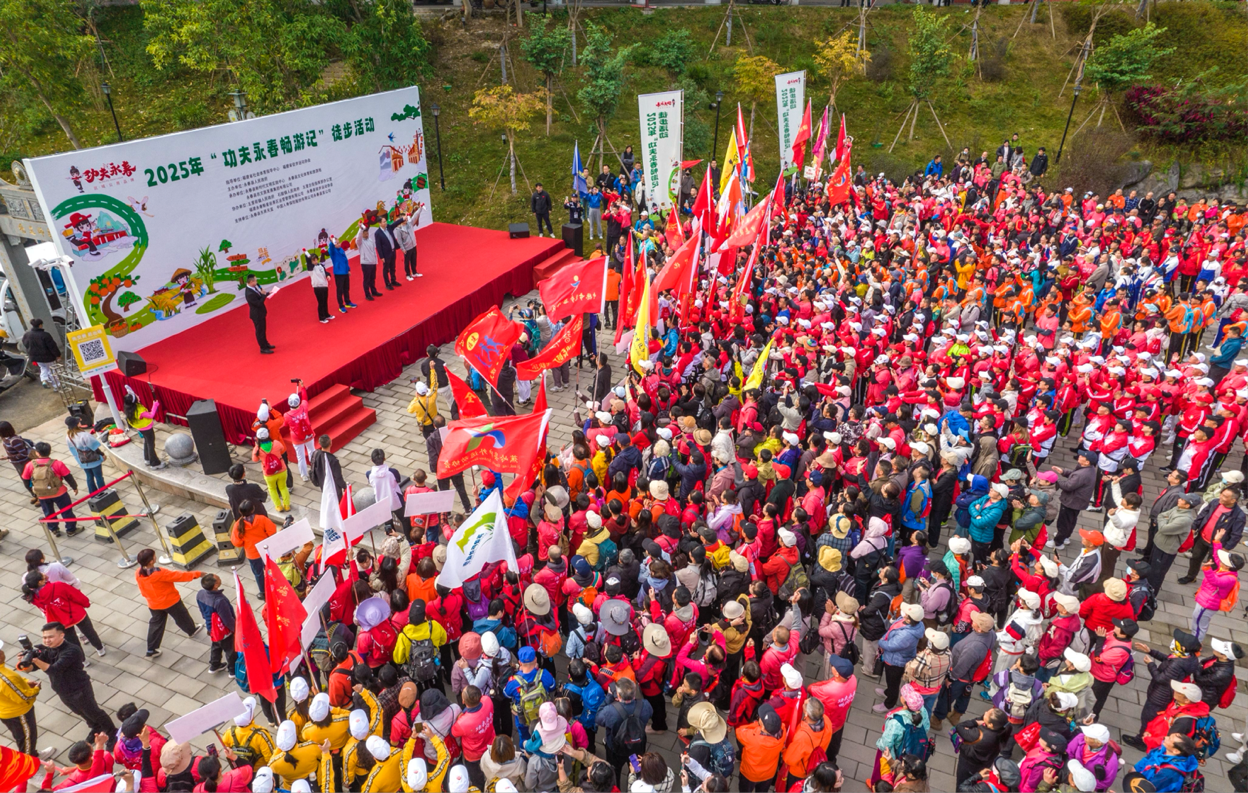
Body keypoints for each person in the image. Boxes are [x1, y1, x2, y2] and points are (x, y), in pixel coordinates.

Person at [16, 622, 116, 751]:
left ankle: (112, 733)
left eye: (50, 637)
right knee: (79, 712)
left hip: (79, 689)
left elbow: (54, 670)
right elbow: (31, 668)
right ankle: (95, 727)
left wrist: (36, 659)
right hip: (63, 690)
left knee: (94, 711)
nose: (47, 640)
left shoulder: (72, 650)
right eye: (45, 637)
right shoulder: (48, 650)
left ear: (62, 635)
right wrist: (24, 662)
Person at [134, 548, 203, 658]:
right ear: (151, 561)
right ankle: (191, 630)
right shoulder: (159, 573)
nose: (155, 557)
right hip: (170, 601)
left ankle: (151, 649)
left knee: (156, 625)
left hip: (154, 603)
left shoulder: (138, 573)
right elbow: (179, 576)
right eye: (154, 556)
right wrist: (197, 574)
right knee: (182, 617)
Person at [21, 569, 105, 657]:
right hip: (75, 613)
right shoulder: (58, 585)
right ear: (40, 582)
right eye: (42, 575)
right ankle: (100, 649)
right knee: (89, 632)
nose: (44, 574)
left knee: (72, 642)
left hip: (59, 622)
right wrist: (86, 603)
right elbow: (75, 595)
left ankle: (82, 660)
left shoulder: (32, 597)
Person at [596, 676, 653, 783]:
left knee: (614, 770)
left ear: (618, 695)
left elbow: (598, 719)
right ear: (634, 693)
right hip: (637, 747)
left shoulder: (610, 711)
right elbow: (650, 713)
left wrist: (608, 697)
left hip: (616, 749)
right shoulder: (645, 705)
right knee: (637, 769)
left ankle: (616, 786)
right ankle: (635, 785)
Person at [0, 639, 48, 760]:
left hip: (7, 710)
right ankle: (30, 768)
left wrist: (25, 682)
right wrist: (36, 689)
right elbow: (24, 696)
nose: (2, 653)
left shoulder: (3, 671)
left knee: (25, 738)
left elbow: (14, 683)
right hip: (18, 712)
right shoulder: (5, 678)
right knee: (27, 739)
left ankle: (34, 755)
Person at [22, 441, 80, 536]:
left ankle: (54, 529)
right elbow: (68, 476)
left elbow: (25, 479)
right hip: (59, 492)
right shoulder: (57, 464)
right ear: (49, 451)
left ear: (37, 453)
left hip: (42, 494)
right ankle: (71, 529)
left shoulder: (30, 465)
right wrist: (74, 487)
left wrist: (33, 493)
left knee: (48, 512)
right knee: (66, 511)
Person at [230, 499, 278, 594]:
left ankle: (262, 591)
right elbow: (272, 531)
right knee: (271, 570)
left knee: (258, 573)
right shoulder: (262, 519)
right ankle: (275, 586)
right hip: (265, 551)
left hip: (252, 554)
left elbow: (236, 542)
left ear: (240, 512)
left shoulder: (238, 525)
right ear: (253, 509)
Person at [197, 573, 239, 675]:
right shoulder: (219, 601)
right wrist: (236, 630)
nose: (220, 578)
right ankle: (232, 671)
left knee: (216, 645)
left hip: (211, 628)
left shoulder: (200, 594)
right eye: (219, 578)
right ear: (215, 585)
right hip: (223, 631)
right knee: (230, 650)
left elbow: (202, 611)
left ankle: (214, 665)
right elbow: (227, 619)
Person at [63, 416, 104, 495]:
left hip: (82, 460)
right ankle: (103, 492)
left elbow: (73, 450)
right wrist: (102, 454)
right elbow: (94, 447)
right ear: (77, 424)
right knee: (98, 477)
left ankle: (93, 494)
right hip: (93, 460)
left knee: (89, 477)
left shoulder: (68, 437)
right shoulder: (84, 435)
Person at [21, 317, 60, 389]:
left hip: (35, 357)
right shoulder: (45, 335)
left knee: (43, 368)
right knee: (51, 370)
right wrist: (57, 355)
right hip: (48, 357)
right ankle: (56, 386)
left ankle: (44, 380)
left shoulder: (27, 335)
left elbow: (26, 345)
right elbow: (52, 346)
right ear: (40, 325)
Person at [244, 273, 275, 353]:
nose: (257, 282)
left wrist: (267, 293)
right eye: (255, 280)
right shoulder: (249, 293)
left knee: (263, 329)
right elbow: (258, 303)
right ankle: (263, 348)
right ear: (251, 282)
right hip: (257, 315)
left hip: (261, 313)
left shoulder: (253, 287)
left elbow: (259, 296)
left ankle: (266, 343)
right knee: (260, 331)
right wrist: (264, 295)